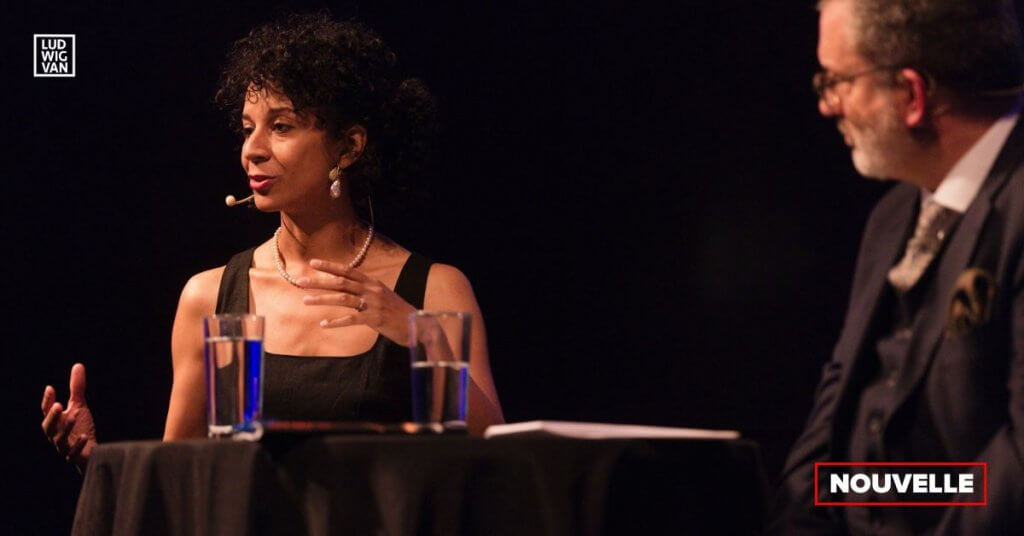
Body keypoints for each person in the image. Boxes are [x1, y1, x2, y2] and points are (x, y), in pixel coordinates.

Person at [40, 13, 505, 469]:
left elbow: (498, 462)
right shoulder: (209, 298)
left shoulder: (434, 290)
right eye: (247, 129)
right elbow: (180, 481)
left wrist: (420, 336)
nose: (252, 149)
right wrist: (97, 464)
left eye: (281, 127)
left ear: (348, 147)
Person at [771, 0, 1024, 533]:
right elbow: (835, 414)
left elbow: (1014, 469)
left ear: (911, 95)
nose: (826, 104)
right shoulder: (892, 217)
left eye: (837, 80)